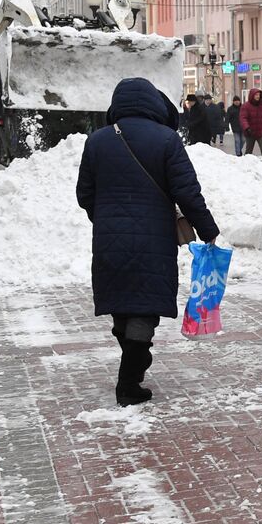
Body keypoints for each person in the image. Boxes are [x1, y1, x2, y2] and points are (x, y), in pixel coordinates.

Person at [75, 78, 219, 406]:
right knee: (144, 307)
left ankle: (134, 358)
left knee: (121, 304)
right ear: (154, 103)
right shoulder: (167, 139)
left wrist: (106, 218)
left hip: (109, 240)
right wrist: (207, 229)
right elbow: (187, 191)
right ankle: (130, 379)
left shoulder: (97, 141)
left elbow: (84, 193)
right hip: (154, 239)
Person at [238, 88, 262, 161]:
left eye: (259, 95)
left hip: (261, 132)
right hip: (250, 132)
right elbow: (243, 118)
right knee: (249, 151)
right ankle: (246, 164)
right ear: (252, 95)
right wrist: (247, 128)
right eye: (256, 95)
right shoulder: (245, 106)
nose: (258, 96)